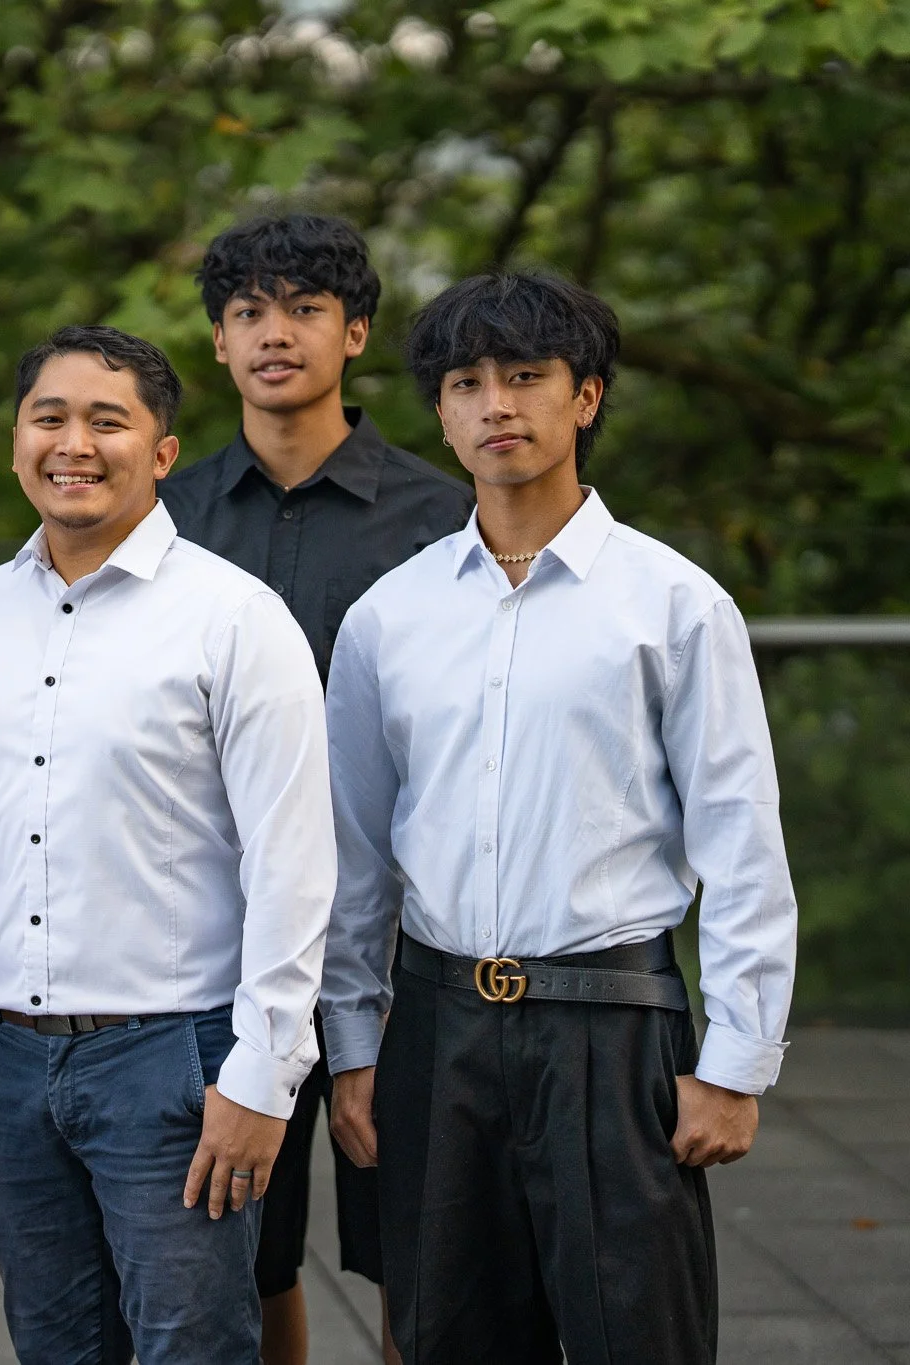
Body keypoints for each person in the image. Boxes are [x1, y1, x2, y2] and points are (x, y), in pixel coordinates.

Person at [322, 272, 797, 1365]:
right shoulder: (389, 616)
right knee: (444, 1339)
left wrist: (732, 1062)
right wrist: (353, 1044)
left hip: (609, 1026)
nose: (496, 405)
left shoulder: (672, 605)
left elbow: (739, 839)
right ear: (437, 412)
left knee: (638, 1337)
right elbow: (353, 855)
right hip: (435, 1029)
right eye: (465, 383)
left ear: (583, 398)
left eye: (525, 377)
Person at [0, 325, 337, 1365]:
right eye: (48, 417)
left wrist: (263, 1074)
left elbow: (292, 862)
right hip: (8, 1061)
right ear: (15, 442)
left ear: (159, 453)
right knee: (52, 1348)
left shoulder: (234, 618)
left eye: (108, 421)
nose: (73, 443)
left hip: (174, 1062)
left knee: (190, 1349)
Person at [158, 213, 471, 1365]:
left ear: (355, 333)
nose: (271, 334)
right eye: (246, 312)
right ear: (218, 340)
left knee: (415, 1244)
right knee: (244, 1241)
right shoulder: (164, 517)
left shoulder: (440, 517)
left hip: (402, 940)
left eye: (300, 310)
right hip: (218, 937)